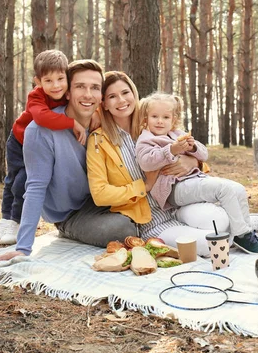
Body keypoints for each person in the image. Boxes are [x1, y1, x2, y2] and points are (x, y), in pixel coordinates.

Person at [87, 71, 242, 257]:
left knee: (220, 220)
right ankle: (242, 230)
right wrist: (144, 186)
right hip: (152, 221)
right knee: (209, 243)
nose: (121, 100)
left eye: (125, 92)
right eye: (112, 96)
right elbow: (100, 194)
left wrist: (193, 162)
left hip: (180, 205)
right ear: (103, 103)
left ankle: (242, 224)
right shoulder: (98, 141)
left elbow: (197, 161)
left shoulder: (154, 123)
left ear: (134, 94)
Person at [0, 60, 134, 262]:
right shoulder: (40, 130)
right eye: (80, 87)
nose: (88, 94)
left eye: (95, 88)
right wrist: (23, 248)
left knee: (146, 212)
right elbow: (35, 188)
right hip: (71, 214)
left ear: (101, 96)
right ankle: (69, 231)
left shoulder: (104, 122)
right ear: (67, 92)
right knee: (123, 229)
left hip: (105, 198)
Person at [135, 92, 258, 254]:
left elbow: (204, 154)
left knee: (238, 189)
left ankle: (246, 229)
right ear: (146, 118)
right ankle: (241, 235)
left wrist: (193, 148)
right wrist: (171, 150)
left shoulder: (177, 134)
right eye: (154, 116)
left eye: (165, 117)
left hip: (193, 181)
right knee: (224, 189)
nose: (160, 121)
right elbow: (146, 161)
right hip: (173, 189)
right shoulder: (146, 140)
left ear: (173, 119)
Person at [0, 50, 100, 245]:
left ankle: (11, 219)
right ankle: (10, 219)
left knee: (20, 181)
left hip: (41, 144)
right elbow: (41, 118)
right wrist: (71, 123)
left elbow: (87, 102)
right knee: (16, 180)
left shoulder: (67, 94)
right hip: (20, 139)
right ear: (38, 82)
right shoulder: (36, 97)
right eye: (48, 80)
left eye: (60, 79)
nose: (56, 85)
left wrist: (96, 113)